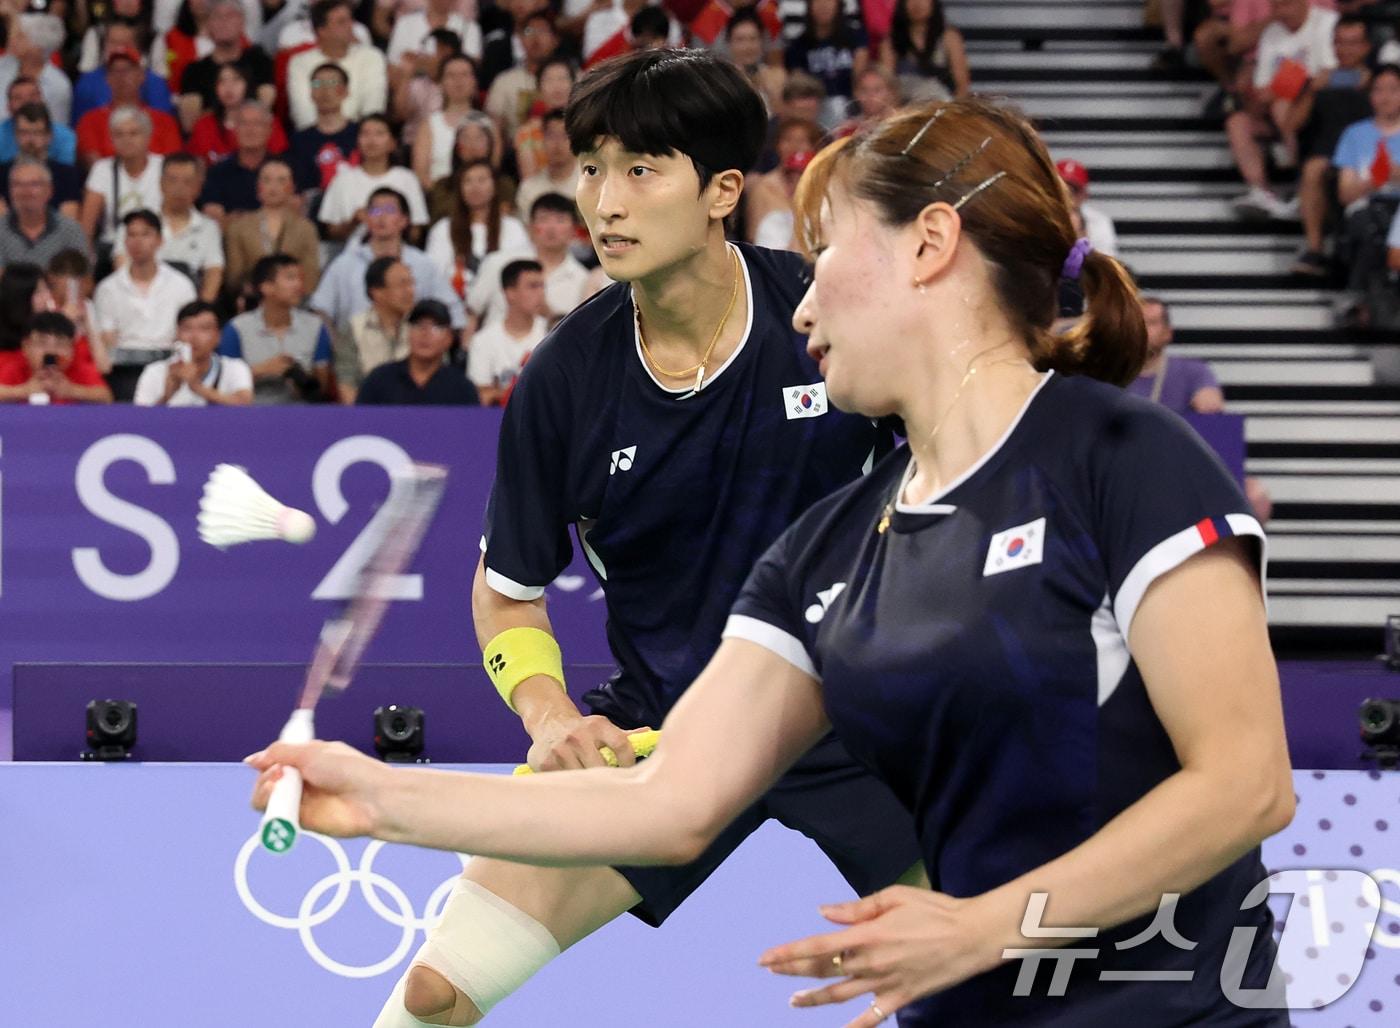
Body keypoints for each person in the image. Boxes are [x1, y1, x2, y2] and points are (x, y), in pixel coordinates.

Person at [251, 95, 1296, 1027]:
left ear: (930, 244)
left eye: (825, 248)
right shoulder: (820, 553)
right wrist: (381, 796)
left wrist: (983, 927)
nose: (803, 303)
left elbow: (1246, 783)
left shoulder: (1124, 457)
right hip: (694, 719)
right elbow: (669, 800)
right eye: (589, 170)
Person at [364, 49, 923, 1028]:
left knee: (1013, 971)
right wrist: (547, 716)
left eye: (639, 168)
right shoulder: (565, 380)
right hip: (668, 729)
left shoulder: (823, 315)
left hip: (868, 722)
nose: (602, 201)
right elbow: (505, 590)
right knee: (436, 990)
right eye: (589, 166)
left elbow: (962, 468)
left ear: (719, 190)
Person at [1131, 295, 1274, 522]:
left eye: (1151, 322)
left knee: (1254, 495)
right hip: (1128, 471)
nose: (1141, 329)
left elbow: (1211, 403)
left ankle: (1235, 557)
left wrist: (1208, 400)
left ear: (1168, 332)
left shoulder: (1192, 371)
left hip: (1182, 470)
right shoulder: (1108, 374)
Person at [93, 209, 198, 400]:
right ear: (124, 242)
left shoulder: (181, 285)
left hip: (169, 366)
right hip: (123, 371)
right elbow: (108, 340)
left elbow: (187, 334)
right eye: (131, 235)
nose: (137, 241)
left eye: (145, 234)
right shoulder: (108, 288)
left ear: (160, 240)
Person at [219, 253, 334, 403]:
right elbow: (224, 384)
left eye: (300, 278)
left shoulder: (315, 326)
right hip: (251, 414)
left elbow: (322, 386)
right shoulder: (236, 329)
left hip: (302, 414)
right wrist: (261, 370)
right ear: (266, 287)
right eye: (290, 278)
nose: (299, 285)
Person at [113, 152, 224, 302]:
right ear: (161, 183)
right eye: (172, 180)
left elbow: (213, 274)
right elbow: (122, 266)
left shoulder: (208, 228)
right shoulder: (135, 221)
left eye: (187, 182)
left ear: (199, 187)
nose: (179, 188)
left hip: (188, 308)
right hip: (138, 302)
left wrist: (198, 312)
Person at [223, 157, 321, 302]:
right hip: (252, 300)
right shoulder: (239, 227)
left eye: (281, 181)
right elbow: (234, 277)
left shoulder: (306, 228)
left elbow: (310, 275)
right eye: (267, 180)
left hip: (296, 302)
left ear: (292, 187)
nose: (273, 187)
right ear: (258, 187)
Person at [286, 0, 389, 130]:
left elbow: (374, 106)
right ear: (322, 31)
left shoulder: (372, 57)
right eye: (342, 22)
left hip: (361, 138)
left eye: (350, 20)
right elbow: (302, 112)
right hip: (314, 137)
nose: (350, 26)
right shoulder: (300, 63)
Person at [355, 297, 479, 405]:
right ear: (408, 333)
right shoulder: (379, 380)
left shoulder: (461, 388)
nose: (425, 333)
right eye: (418, 325)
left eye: (435, 327)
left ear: (449, 338)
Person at [133, 298, 254, 405]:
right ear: (177, 334)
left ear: (218, 337)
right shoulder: (155, 371)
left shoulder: (235, 367)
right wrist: (167, 396)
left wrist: (197, 387)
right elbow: (140, 420)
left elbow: (243, 404)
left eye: (204, 329)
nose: (194, 337)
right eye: (187, 328)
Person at [467, 257, 547, 403]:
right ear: (510, 292)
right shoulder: (483, 340)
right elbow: (480, 397)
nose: (541, 293)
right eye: (533, 286)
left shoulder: (552, 334)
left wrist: (498, 392)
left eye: (542, 286)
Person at [340, 255, 414, 402]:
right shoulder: (354, 329)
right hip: (369, 417)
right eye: (402, 285)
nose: (410, 291)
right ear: (377, 292)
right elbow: (347, 387)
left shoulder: (423, 326)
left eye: (411, 284)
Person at [0, 311, 112, 405]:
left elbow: (106, 397)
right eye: (42, 343)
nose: (51, 351)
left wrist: (72, 391)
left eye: (60, 344)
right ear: (25, 347)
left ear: (72, 349)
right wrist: (24, 391)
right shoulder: (15, 368)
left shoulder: (79, 368)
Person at [0, 159, 91, 269]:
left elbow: (82, 278)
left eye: (34, 184)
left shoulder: (71, 230)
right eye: (17, 184)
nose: (26, 191)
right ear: (9, 191)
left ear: (49, 191)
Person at [0, 103, 84, 219]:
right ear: (16, 135)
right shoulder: (1, 173)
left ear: (49, 136)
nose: (30, 140)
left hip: (57, 236)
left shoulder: (67, 175)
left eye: (37, 133)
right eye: (24, 133)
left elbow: (69, 221)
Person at [877, 0, 969, 102]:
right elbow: (886, 85)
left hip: (942, 107)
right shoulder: (890, 41)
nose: (917, 4)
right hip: (905, 110)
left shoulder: (950, 37)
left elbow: (962, 86)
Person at [0, 77, 77, 165]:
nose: (27, 101)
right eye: (18, 98)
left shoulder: (65, 136)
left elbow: (66, 173)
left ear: (43, 100)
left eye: (32, 95)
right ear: (8, 106)